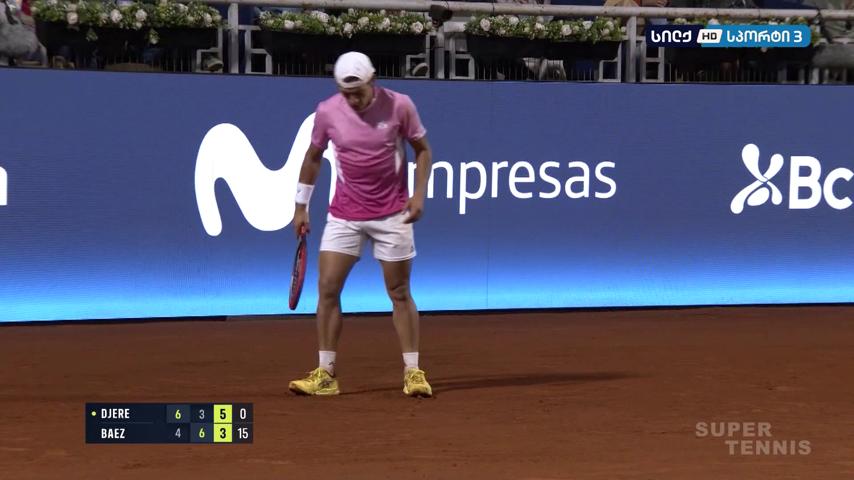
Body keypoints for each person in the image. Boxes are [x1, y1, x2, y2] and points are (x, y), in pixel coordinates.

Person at [288, 51, 434, 398]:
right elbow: (313, 157)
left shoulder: (400, 106)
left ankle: (413, 372)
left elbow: (423, 150)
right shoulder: (327, 111)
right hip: (344, 215)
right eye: (346, 93)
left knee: (399, 292)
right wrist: (300, 206)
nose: (352, 100)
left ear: (373, 81)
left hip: (393, 214)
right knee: (327, 289)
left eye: (358, 93)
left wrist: (418, 195)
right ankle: (326, 374)